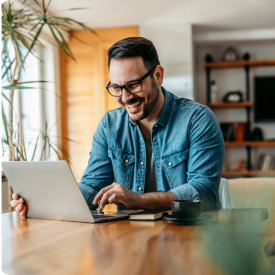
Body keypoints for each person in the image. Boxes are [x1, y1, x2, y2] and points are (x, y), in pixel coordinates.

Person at [10, 37, 225, 218]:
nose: (125, 97)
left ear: (158, 75)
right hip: (130, 238)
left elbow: (203, 192)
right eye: (116, 87)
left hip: (189, 235)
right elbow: (92, 186)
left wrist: (139, 200)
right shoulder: (109, 125)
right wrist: (45, 203)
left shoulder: (197, 119)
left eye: (133, 85)